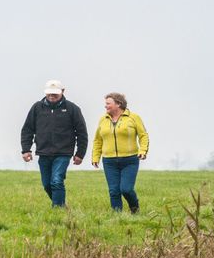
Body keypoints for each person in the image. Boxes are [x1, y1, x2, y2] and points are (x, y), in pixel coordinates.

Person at [20, 80, 89, 208]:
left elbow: (82, 133)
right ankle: (62, 205)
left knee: (56, 181)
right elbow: (27, 130)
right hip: (43, 152)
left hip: (63, 153)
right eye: (49, 94)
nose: (51, 96)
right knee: (47, 184)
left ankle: (57, 211)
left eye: (55, 94)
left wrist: (80, 153)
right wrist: (26, 149)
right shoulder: (37, 108)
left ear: (63, 92)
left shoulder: (72, 109)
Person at [91, 92, 150, 213]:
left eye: (108, 103)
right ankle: (117, 216)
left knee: (126, 189)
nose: (105, 106)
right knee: (113, 191)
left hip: (129, 160)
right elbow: (98, 140)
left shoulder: (133, 117)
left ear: (118, 104)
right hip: (109, 161)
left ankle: (135, 209)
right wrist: (95, 157)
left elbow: (143, 135)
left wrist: (143, 150)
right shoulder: (103, 119)